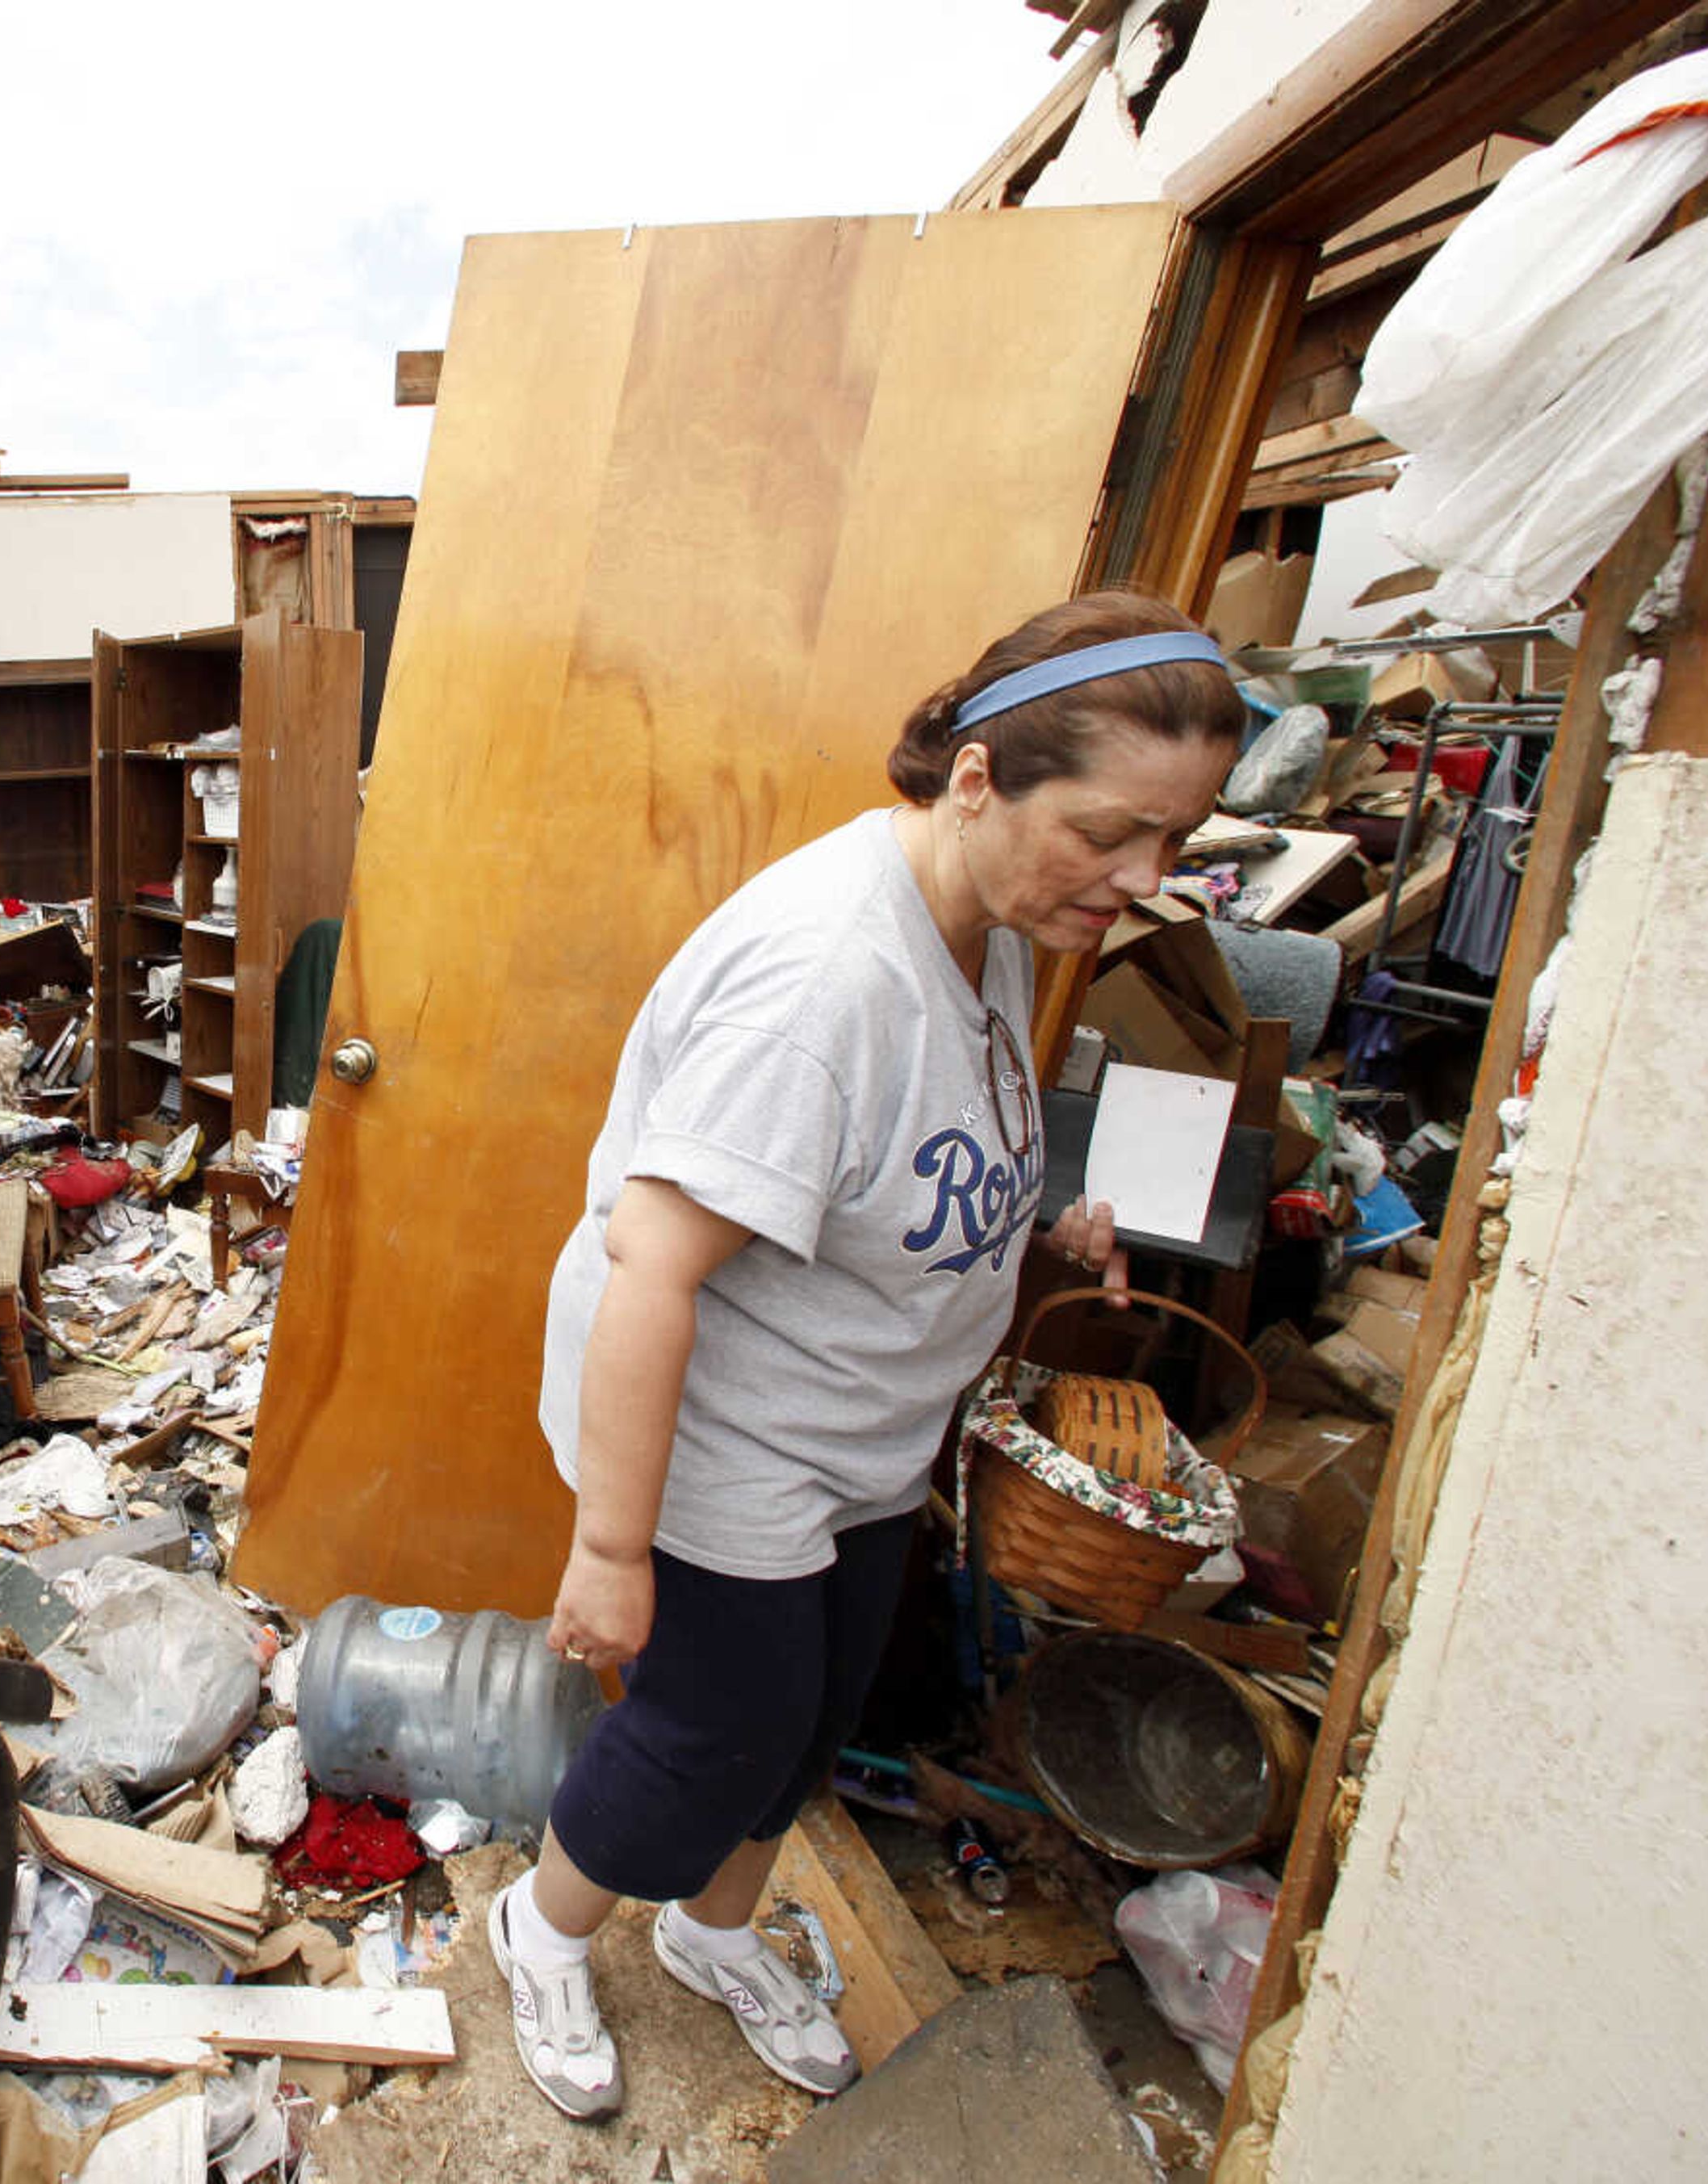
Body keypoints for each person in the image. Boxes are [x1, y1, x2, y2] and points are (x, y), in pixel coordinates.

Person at [488, 589, 1246, 2118]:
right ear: (980, 776)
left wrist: (1021, 1242)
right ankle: (546, 1924)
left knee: (815, 1718)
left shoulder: (1001, 918)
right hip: (724, 1438)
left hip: (860, 1429)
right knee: (712, 1734)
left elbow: (879, 1177)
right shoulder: (824, 981)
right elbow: (653, 1264)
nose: (1144, 879)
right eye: (1110, 834)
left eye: (1174, 839)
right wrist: (613, 1547)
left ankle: (712, 1934)